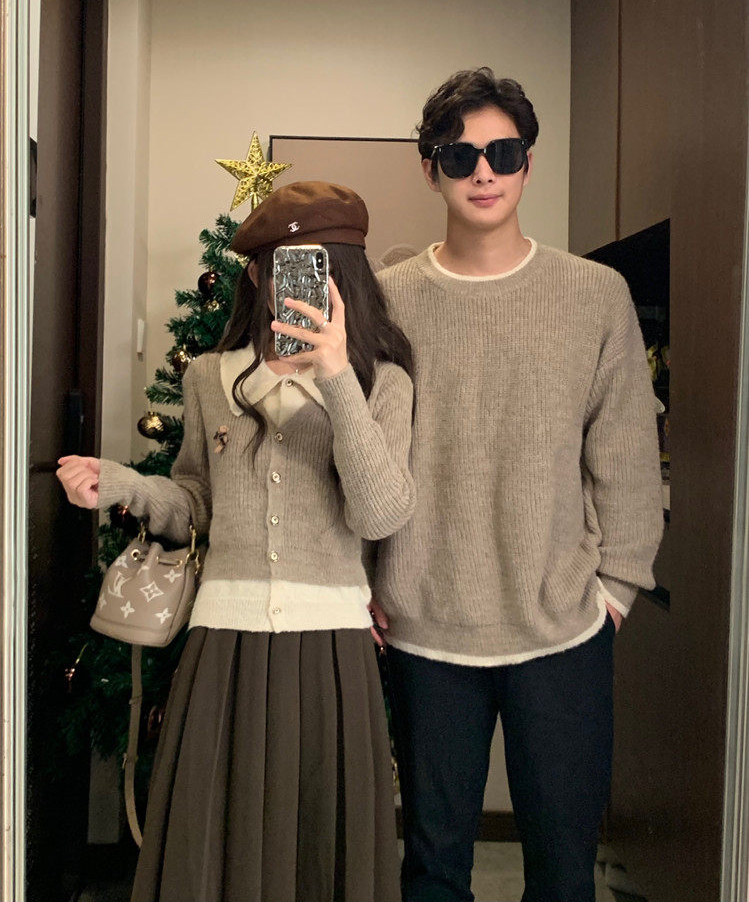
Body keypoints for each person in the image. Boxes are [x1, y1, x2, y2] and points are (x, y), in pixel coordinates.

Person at [57, 180, 415, 902]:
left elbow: (380, 514)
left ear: (344, 277)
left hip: (332, 645)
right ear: (254, 275)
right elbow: (196, 502)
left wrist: (336, 377)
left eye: (312, 269)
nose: (289, 285)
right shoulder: (208, 378)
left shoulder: (382, 381)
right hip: (225, 637)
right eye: (276, 268)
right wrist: (124, 485)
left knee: (320, 842)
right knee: (217, 840)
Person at [370, 69, 664, 902]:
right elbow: (360, 452)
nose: (483, 172)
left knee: (563, 875)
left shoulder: (594, 295)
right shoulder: (387, 302)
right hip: (424, 630)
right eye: (459, 156)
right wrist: (362, 578)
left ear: (527, 164)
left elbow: (624, 453)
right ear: (429, 169)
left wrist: (615, 589)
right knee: (432, 870)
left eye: (502, 153)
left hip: (563, 630)